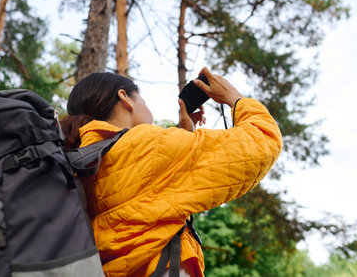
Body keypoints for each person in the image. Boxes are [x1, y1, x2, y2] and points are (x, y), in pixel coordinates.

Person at [60, 67, 282, 277]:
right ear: (124, 97)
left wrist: (184, 135)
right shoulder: (148, 144)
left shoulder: (78, 161)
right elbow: (262, 143)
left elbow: (143, 204)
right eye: (142, 99)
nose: (147, 107)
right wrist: (234, 98)